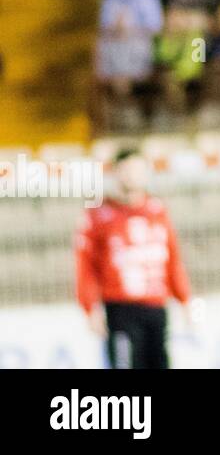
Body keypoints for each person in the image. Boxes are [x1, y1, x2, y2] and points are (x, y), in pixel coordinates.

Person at [74, 148, 192, 369]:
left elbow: (172, 259)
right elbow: (86, 266)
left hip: (156, 306)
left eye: (137, 170)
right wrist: (90, 307)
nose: (132, 176)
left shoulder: (157, 211)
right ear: (116, 173)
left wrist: (185, 299)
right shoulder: (99, 215)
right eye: (126, 170)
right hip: (121, 309)